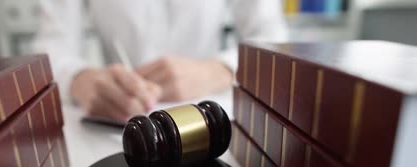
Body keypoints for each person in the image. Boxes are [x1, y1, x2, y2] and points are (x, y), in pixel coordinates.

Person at [33, 0, 287, 122]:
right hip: (116, 119)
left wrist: (217, 70)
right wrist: (79, 80)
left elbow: (272, 36)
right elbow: (50, 45)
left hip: (210, 117)